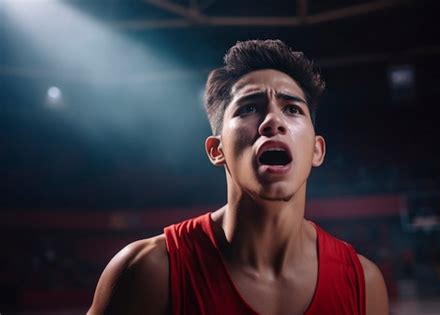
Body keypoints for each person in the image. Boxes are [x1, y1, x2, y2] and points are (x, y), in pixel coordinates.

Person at [88, 39, 389, 315]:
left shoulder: (364, 283)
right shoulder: (148, 271)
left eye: (292, 109)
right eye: (248, 108)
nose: (273, 120)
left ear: (316, 150)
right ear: (216, 149)